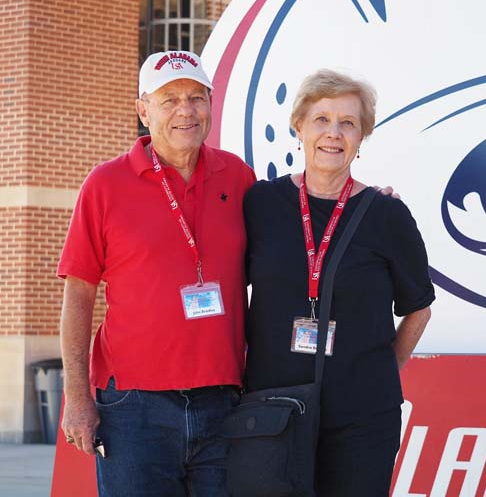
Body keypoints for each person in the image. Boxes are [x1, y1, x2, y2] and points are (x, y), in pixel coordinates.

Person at [57, 50, 257, 496]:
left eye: (196, 97)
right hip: (133, 409)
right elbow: (79, 296)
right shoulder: (105, 185)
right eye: (169, 99)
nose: (186, 110)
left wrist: (363, 200)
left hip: (225, 401)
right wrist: (77, 398)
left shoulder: (239, 178)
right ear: (143, 110)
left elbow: (289, 242)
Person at [243, 69, 434, 496]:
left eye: (348, 123)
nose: (334, 133)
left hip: (362, 417)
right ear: (299, 127)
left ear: (362, 136)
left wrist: (382, 368)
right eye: (321, 119)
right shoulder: (261, 203)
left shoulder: (386, 215)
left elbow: (419, 305)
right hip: (273, 411)